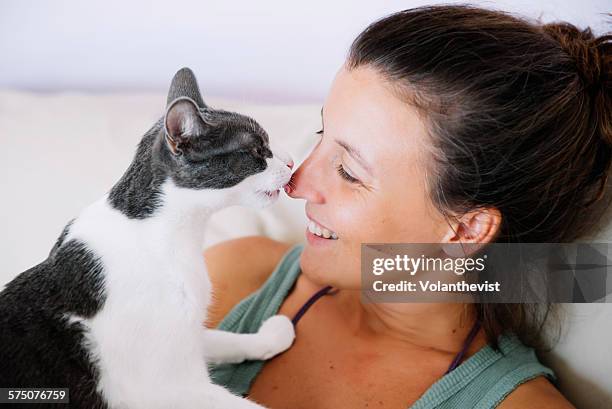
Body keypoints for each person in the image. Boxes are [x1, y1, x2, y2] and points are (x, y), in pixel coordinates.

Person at [204, 4, 611, 408]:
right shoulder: (234, 277)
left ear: (466, 232)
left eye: (348, 170)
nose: (295, 183)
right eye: (320, 132)